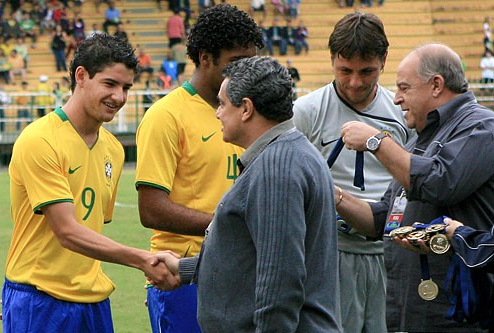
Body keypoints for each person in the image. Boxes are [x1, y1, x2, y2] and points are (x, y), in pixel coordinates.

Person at [1, 33, 178, 333]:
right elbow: (68, 232)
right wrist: (143, 260)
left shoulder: (114, 149)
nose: (119, 97)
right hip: (41, 299)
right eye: (110, 84)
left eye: (126, 88)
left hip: (93, 301)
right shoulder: (40, 140)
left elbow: (90, 230)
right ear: (81, 76)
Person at [152, 55, 342, 332]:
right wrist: (187, 268)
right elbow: (253, 257)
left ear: (246, 109)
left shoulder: (277, 167)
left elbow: (280, 281)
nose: (217, 112)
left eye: (223, 103)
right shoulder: (286, 153)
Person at [335, 42, 494, 332]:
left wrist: (376, 141)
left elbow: (439, 183)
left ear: (436, 85)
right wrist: (335, 196)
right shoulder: (417, 139)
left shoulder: (482, 127)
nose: (396, 99)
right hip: (411, 310)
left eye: (404, 88)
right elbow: (383, 220)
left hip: (458, 314)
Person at [135, 4, 264, 333]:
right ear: (206, 57)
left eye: (251, 61)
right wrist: (231, 227)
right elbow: (151, 210)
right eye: (237, 62)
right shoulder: (166, 116)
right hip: (182, 275)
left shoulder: (249, 112)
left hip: (245, 269)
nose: (246, 71)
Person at [292, 12, 412, 333]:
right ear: (331, 59)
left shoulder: (403, 114)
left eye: (367, 71)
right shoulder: (305, 112)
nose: (355, 82)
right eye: (345, 70)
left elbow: (416, 184)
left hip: (391, 255)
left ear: (384, 60)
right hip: (330, 255)